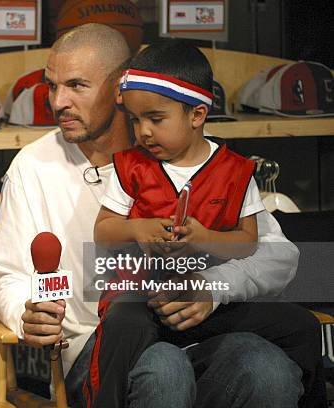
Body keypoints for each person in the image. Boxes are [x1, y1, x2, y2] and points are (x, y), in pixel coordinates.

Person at [0, 23, 319, 407]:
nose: (58, 101)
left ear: (120, 89)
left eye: (76, 86)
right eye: (51, 86)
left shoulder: (198, 157)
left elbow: (277, 256)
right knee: (163, 369)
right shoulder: (32, 166)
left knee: (267, 369)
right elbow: (7, 278)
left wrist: (212, 289)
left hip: (206, 333)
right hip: (95, 346)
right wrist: (26, 313)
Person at [86, 41, 325, 408]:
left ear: (197, 115)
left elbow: (248, 243)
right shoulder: (131, 166)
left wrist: (204, 239)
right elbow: (103, 232)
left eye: (155, 118)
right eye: (135, 120)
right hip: (146, 293)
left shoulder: (236, 171)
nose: (143, 132)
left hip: (208, 299)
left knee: (302, 326)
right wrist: (138, 229)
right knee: (121, 324)